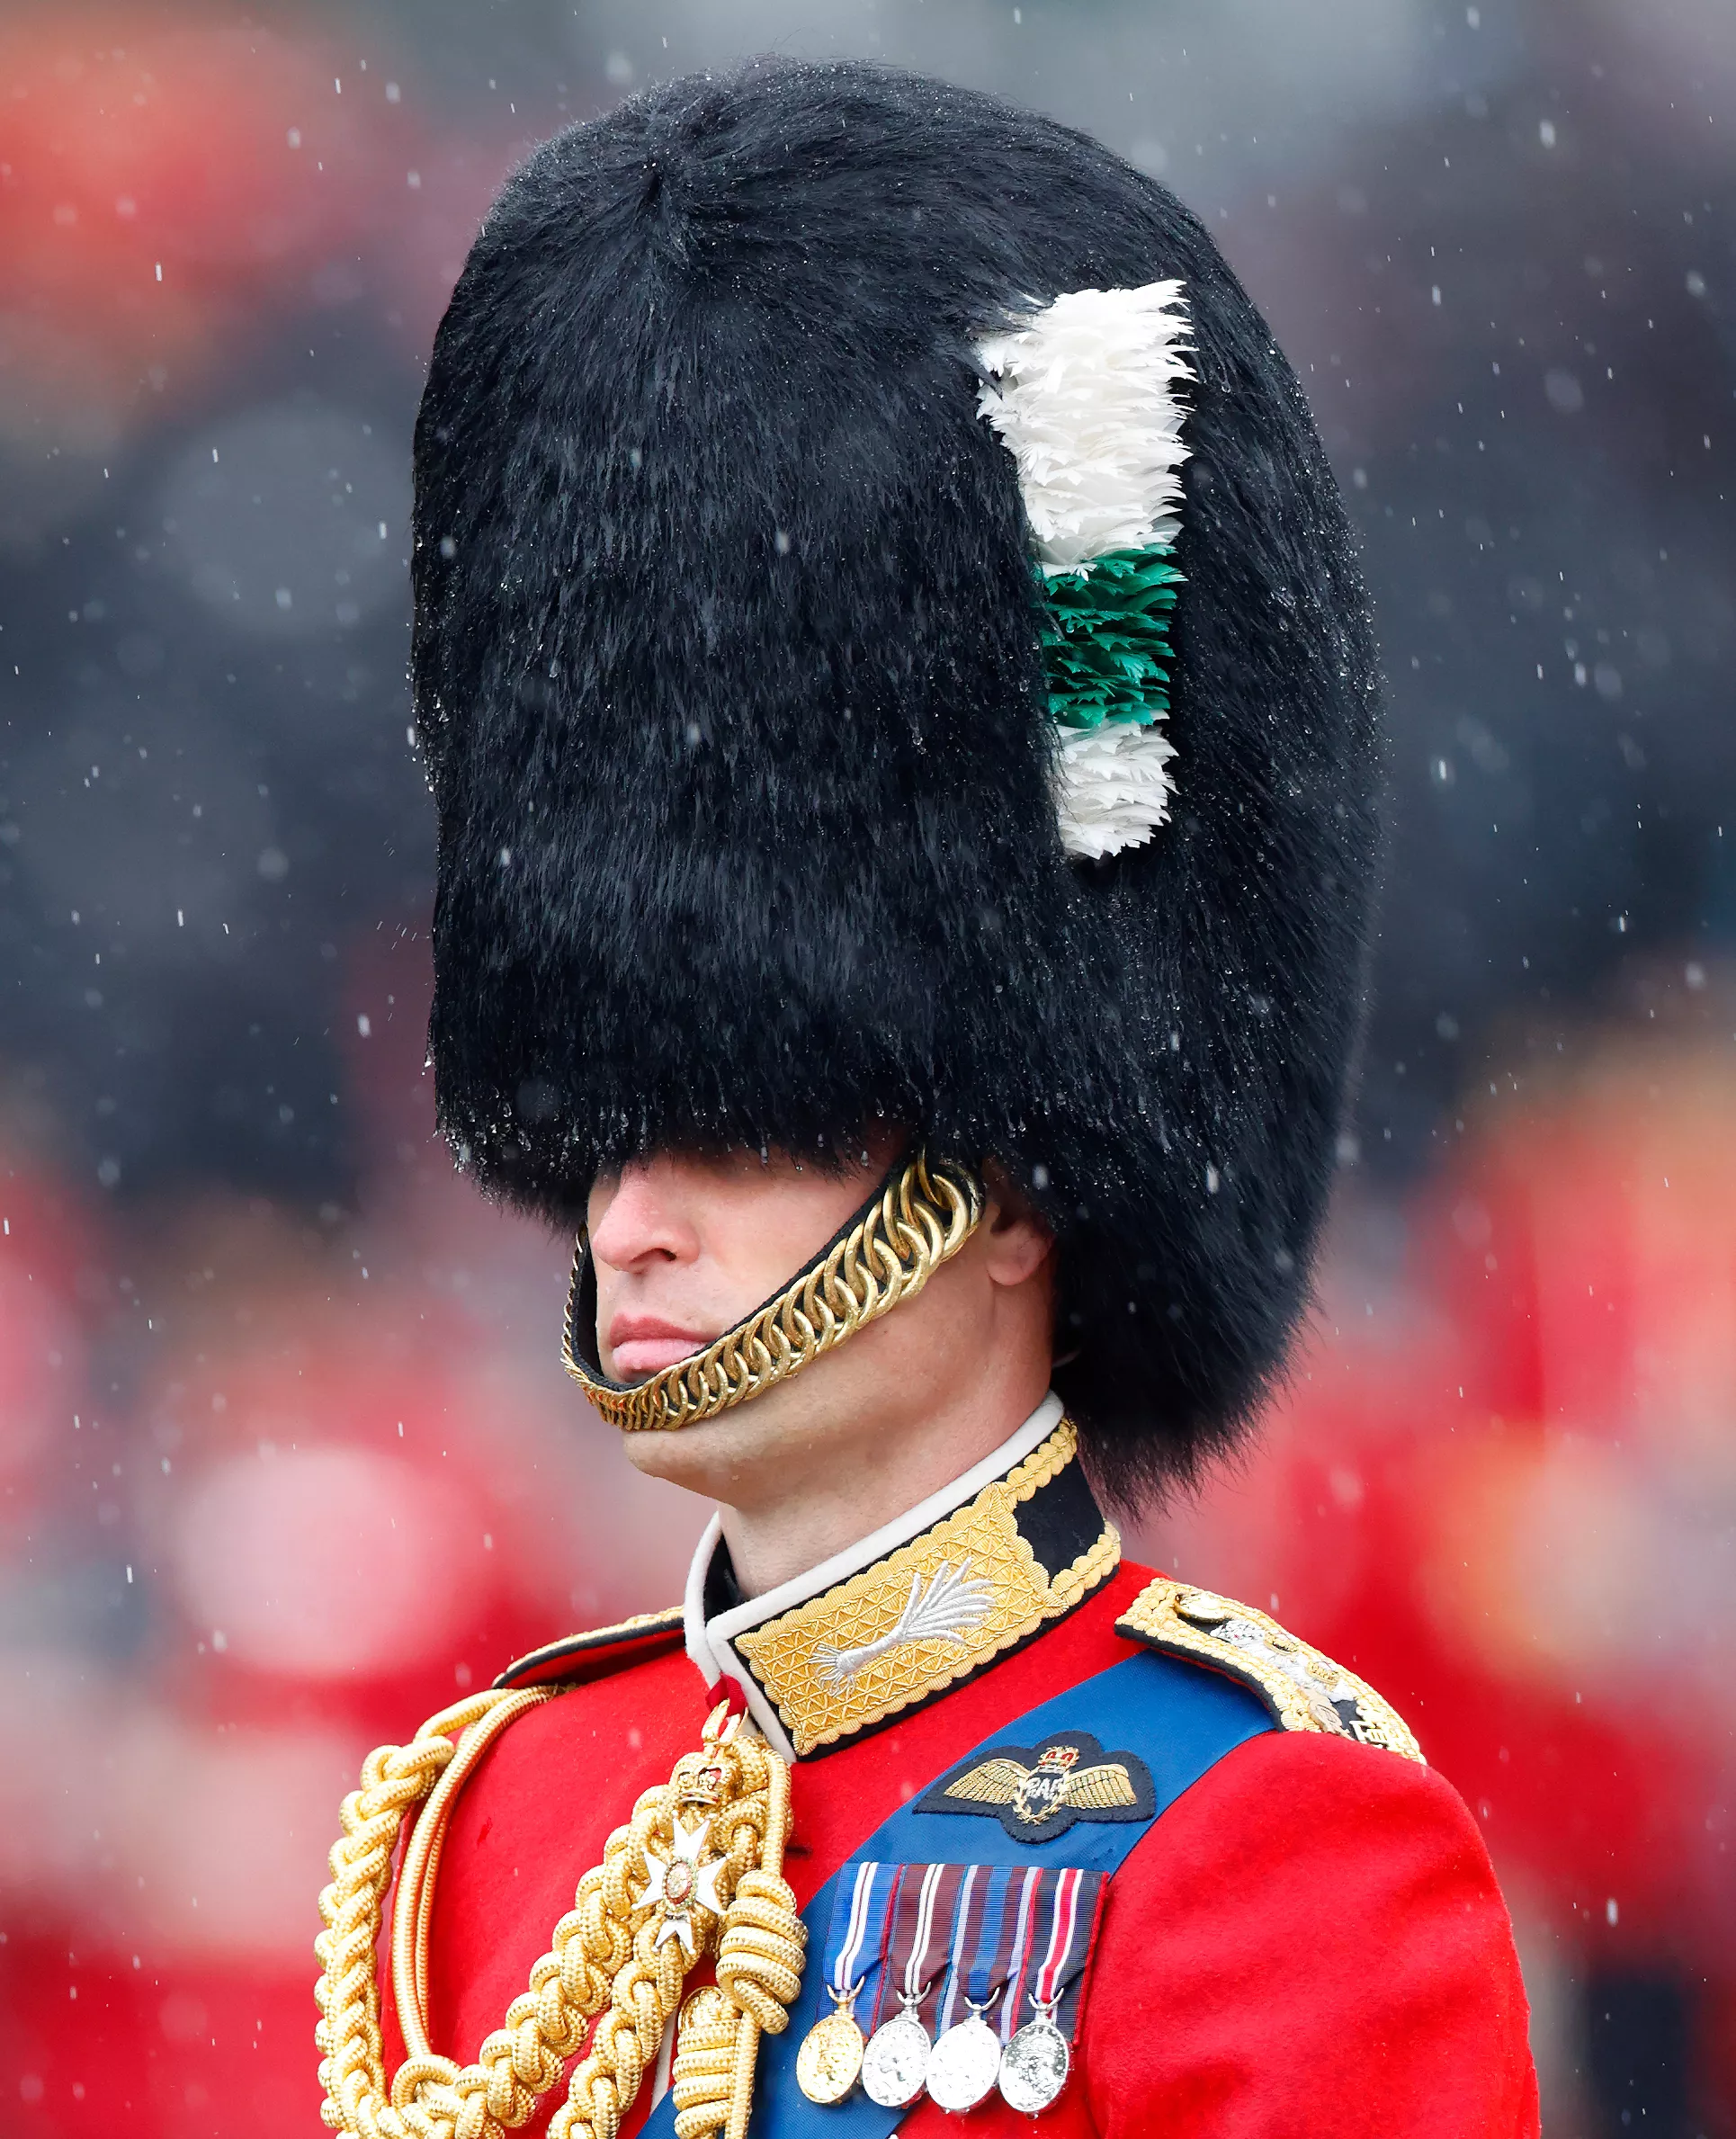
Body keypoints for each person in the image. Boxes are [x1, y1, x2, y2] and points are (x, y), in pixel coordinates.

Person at [312, 59, 1539, 2139]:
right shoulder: (489, 1808)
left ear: (1009, 1187)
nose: (628, 1217)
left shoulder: (1254, 1833)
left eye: (742, 1124)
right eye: (609, 1129)